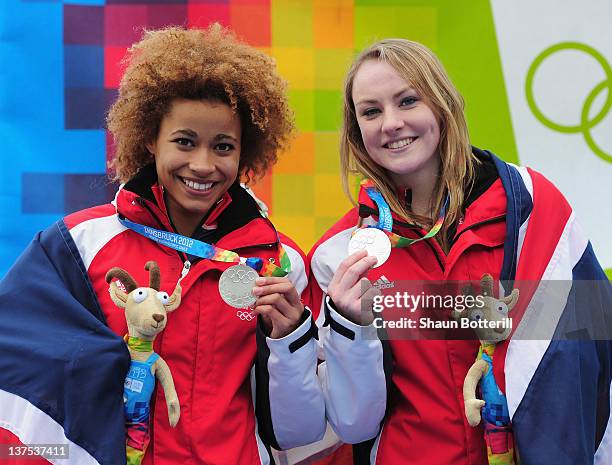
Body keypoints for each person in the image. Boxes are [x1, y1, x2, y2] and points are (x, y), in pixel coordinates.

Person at [0, 25, 325, 465]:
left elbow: (296, 431)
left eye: (223, 146)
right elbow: (21, 364)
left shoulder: (277, 264)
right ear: (151, 139)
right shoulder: (78, 244)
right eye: (185, 141)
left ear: (244, 153)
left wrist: (289, 340)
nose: (203, 164)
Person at [306, 38, 612, 465]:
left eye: (408, 100)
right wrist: (348, 328)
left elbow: (586, 353)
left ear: (442, 104)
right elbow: (352, 423)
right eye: (371, 111)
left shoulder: (530, 209)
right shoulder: (343, 253)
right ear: (357, 131)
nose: (391, 123)